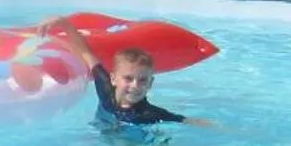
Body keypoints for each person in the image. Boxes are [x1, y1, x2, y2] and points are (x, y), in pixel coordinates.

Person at [43, 18, 210, 131]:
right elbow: (86, 52)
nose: (135, 85)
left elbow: (183, 120)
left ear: (150, 84)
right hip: (100, 131)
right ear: (114, 78)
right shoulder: (105, 88)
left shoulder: (149, 114)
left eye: (142, 80)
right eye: (128, 78)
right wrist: (64, 23)